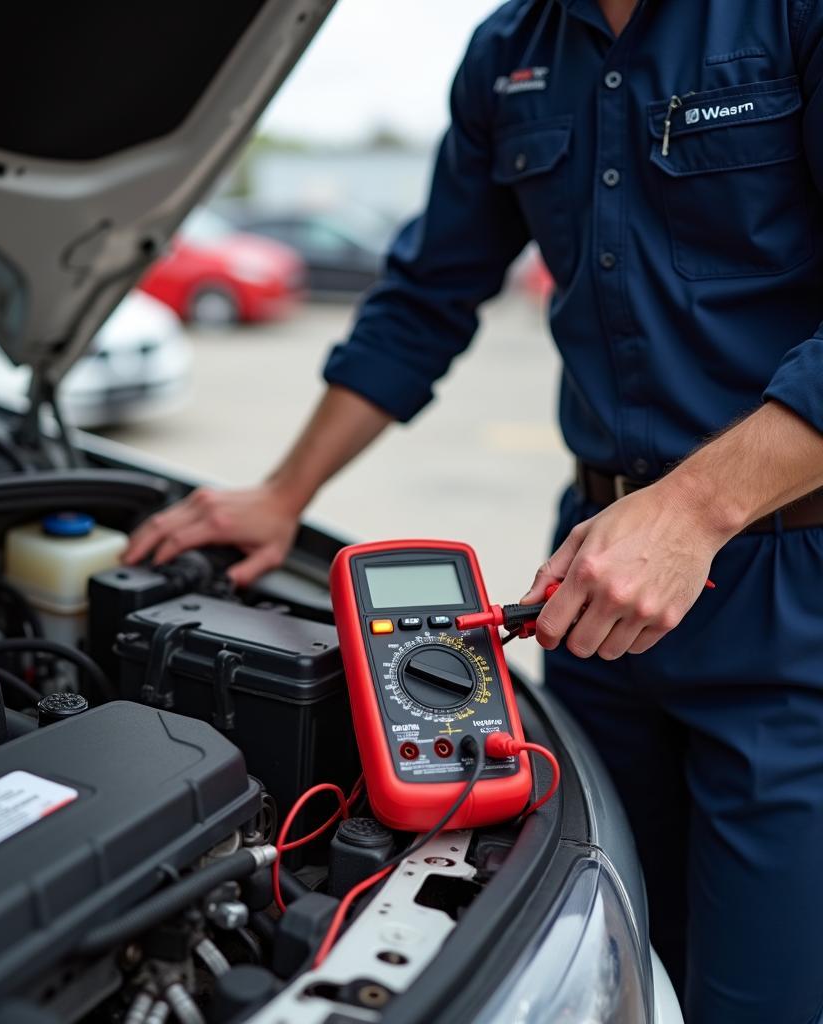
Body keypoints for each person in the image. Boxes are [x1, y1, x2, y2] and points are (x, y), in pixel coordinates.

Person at [125, 1, 823, 1019]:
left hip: (791, 602)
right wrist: (283, 494)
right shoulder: (506, 55)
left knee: (762, 995)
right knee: (611, 955)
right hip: (588, 593)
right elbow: (423, 299)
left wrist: (694, 511)